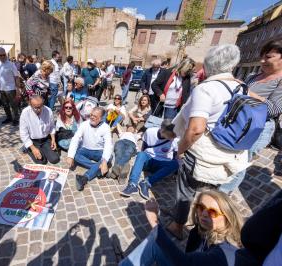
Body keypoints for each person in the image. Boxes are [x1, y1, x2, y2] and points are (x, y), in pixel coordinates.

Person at [167, 44, 250, 240]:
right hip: (228, 155)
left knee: (185, 192)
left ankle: (178, 226)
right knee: (213, 196)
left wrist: (180, 148)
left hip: (202, 156)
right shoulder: (242, 87)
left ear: (208, 65)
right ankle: (208, 231)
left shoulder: (206, 89)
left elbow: (196, 128)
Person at [219, 40, 282, 194]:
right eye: (262, 56)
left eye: (268, 57)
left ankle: (222, 195)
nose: (262, 61)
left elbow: (274, 109)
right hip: (238, 123)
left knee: (240, 163)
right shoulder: (254, 76)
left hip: (257, 129)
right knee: (229, 157)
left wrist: (246, 91)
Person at [120, 190, 243, 266]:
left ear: (228, 217)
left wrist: (154, 221)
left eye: (212, 212)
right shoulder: (201, 231)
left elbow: (183, 262)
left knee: (156, 240)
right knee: (155, 243)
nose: (204, 214)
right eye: (201, 207)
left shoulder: (225, 252)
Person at [120, 120, 179, 199]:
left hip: (160, 164)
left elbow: (175, 156)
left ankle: (146, 183)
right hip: (148, 160)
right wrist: (141, 160)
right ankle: (132, 184)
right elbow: (144, 147)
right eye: (171, 135)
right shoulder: (150, 132)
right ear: (162, 130)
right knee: (141, 154)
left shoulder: (175, 139)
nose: (173, 137)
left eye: (174, 135)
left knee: (175, 164)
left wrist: (174, 172)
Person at [67, 107, 113, 191]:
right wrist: (70, 156)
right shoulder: (84, 124)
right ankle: (99, 169)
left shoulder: (106, 127)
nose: (91, 117)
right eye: (91, 115)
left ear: (101, 118)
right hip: (85, 149)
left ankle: (84, 178)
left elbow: (108, 145)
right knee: (75, 155)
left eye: (95, 116)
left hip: (99, 151)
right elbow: (75, 138)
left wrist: (105, 161)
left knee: (109, 157)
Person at [20, 94, 60, 165]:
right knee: (42, 161)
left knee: (55, 159)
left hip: (45, 140)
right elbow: (23, 133)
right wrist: (33, 148)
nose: (39, 109)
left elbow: (52, 126)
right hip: (33, 141)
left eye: (41, 106)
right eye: (35, 107)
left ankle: (43, 149)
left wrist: (53, 140)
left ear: (43, 103)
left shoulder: (48, 110)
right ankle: (27, 147)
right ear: (30, 104)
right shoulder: (25, 113)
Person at [0, 47, 20, 125]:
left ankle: (16, 119)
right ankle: (9, 117)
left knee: (13, 104)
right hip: (1, 88)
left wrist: (17, 89)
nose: (3, 56)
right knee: (5, 105)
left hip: (11, 88)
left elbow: (16, 77)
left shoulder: (11, 64)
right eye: (0, 55)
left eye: (4, 55)